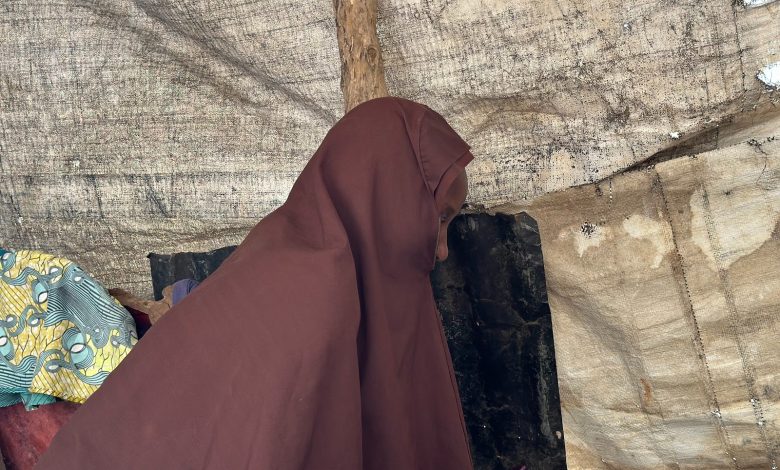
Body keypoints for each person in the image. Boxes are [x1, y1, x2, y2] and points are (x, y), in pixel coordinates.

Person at [36, 96, 475, 470]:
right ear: (389, 197)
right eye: (439, 218)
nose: (442, 250)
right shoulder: (312, 290)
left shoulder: (306, 254)